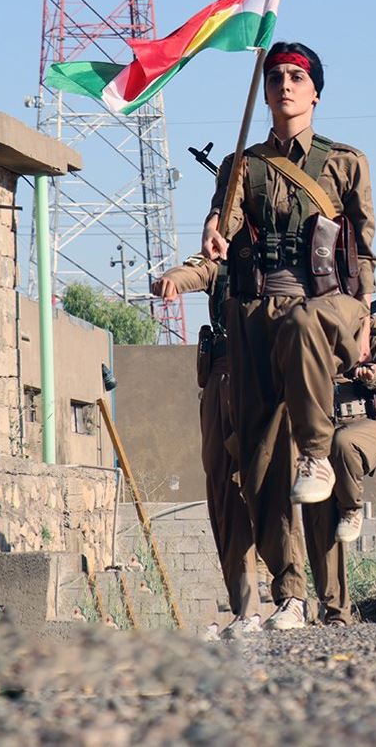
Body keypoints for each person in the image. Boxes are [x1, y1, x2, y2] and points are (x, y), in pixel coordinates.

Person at [200, 42, 376, 631]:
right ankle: (291, 595)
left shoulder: (346, 162)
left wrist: (366, 319)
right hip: (255, 313)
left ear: (315, 92)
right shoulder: (241, 165)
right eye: (275, 76)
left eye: (296, 77)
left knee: (305, 330)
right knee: (258, 465)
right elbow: (223, 223)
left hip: (326, 305)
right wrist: (213, 229)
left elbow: (364, 250)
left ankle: (320, 458)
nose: (284, 84)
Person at [152, 254, 261, 634]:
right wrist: (172, 280)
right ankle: (248, 606)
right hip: (224, 380)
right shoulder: (224, 262)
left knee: (272, 493)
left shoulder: (281, 254)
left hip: (268, 383)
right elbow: (194, 271)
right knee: (225, 493)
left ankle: (289, 598)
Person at [303, 314, 376, 626]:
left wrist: (369, 374)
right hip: (320, 428)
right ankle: (335, 610)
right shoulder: (306, 320)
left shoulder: (365, 321)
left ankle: (352, 507)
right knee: (319, 518)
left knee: (343, 443)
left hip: (362, 423)